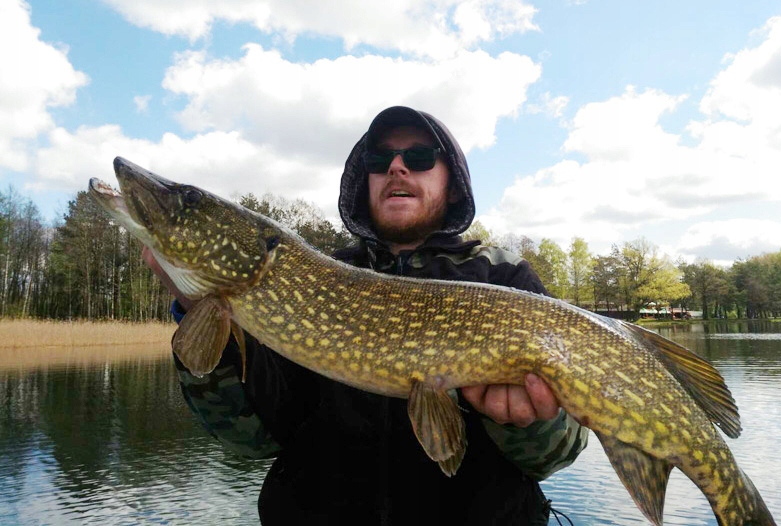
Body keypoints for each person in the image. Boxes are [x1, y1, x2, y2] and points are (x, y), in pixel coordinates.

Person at [144, 106, 587, 525]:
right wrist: (202, 314)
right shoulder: (311, 282)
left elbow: (555, 456)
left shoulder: (504, 277)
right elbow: (249, 440)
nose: (396, 167)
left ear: (453, 185)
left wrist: (527, 424)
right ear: (365, 179)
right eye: (379, 159)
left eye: (419, 157)